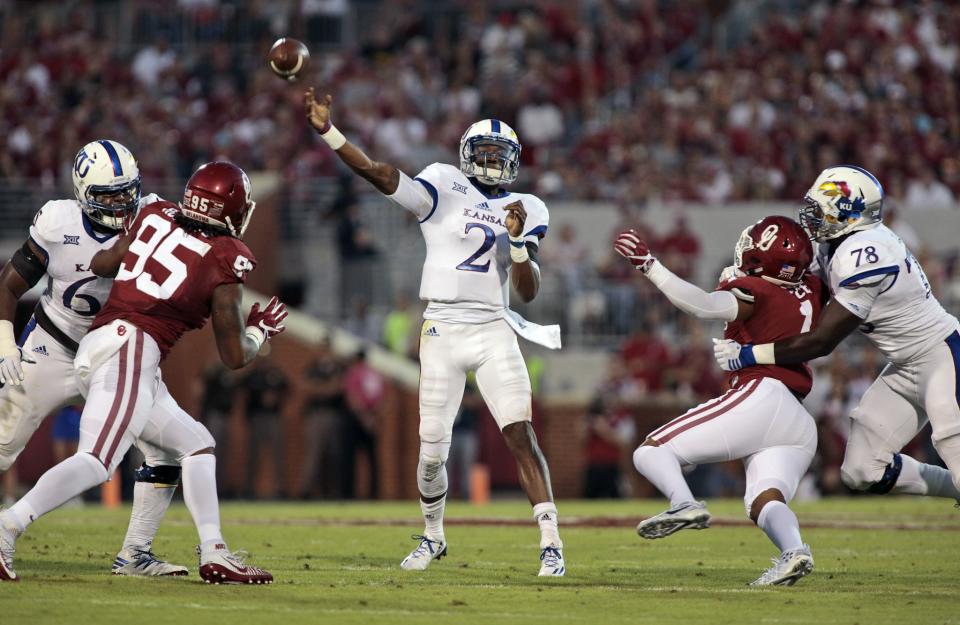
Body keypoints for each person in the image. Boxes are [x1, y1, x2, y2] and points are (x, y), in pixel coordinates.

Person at [304, 89, 566, 575]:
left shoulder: (528, 205)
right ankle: (433, 535)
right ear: (466, 157)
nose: (491, 163)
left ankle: (551, 542)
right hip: (442, 327)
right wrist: (329, 131)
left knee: (520, 433)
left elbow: (527, 291)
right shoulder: (445, 183)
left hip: (492, 327)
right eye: (483, 154)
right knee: (431, 451)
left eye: (500, 156)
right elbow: (380, 173)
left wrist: (518, 245)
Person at [0, 161, 286, 584]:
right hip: (131, 347)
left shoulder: (155, 215)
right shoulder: (229, 258)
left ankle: (195, 551)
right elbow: (233, 356)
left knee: (195, 445)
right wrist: (258, 334)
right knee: (97, 461)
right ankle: (8, 527)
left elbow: (100, 265)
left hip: (106, 341)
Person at [716, 165, 960, 503]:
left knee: (952, 438)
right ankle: (954, 490)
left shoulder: (865, 251)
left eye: (821, 209)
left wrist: (750, 353)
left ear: (848, 212)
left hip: (940, 355)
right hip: (905, 365)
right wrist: (749, 277)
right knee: (862, 469)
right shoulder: (835, 246)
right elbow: (791, 287)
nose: (811, 217)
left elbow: (821, 341)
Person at [0, 140, 187, 576]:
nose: (123, 204)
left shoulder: (154, 215)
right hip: (54, 346)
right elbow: (8, 286)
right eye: (110, 196)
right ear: (84, 193)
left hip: (118, 357)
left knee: (166, 450)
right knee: (3, 444)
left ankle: (135, 554)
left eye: (128, 192)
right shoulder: (57, 223)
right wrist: (6, 342)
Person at [615, 215, 825, 586]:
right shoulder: (813, 286)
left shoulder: (757, 288)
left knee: (651, 451)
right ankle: (794, 551)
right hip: (798, 419)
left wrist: (651, 267)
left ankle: (684, 503)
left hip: (762, 394)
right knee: (764, 501)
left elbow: (705, 305)